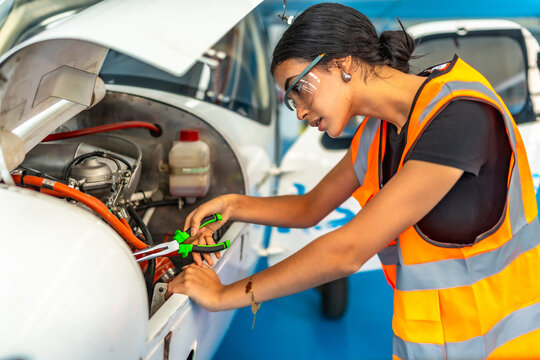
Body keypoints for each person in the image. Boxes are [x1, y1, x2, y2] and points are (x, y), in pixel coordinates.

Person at [166, 3, 540, 359]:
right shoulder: (378, 135)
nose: (298, 110)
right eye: (288, 101)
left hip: (504, 347)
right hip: (433, 343)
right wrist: (232, 205)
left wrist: (224, 295)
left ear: (341, 63)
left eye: (298, 88)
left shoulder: (460, 116)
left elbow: (347, 251)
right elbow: (310, 207)